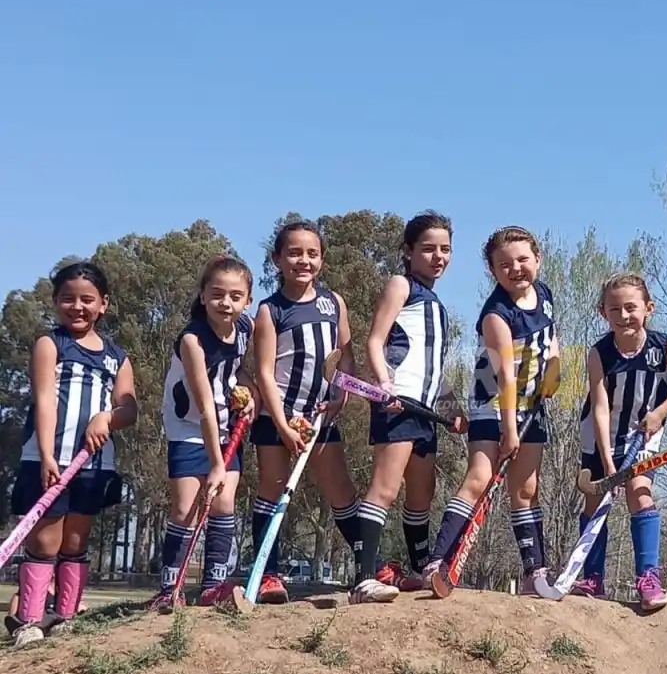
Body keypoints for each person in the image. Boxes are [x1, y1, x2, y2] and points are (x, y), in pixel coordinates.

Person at [6, 262, 138, 648]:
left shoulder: (117, 356)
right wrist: (47, 455)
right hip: (49, 461)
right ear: (55, 301)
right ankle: (29, 619)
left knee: (76, 543)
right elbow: (44, 399)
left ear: (103, 304)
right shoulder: (51, 344)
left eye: (87, 299)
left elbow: (129, 410)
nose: (77, 306)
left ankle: (66, 616)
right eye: (68, 298)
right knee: (44, 543)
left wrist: (107, 419)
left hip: (94, 465)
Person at [424, 225, 558, 595]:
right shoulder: (496, 315)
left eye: (522, 259)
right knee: (480, 478)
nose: (515, 268)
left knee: (527, 488)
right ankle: (439, 560)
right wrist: (509, 430)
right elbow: (506, 377)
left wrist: (554, 371)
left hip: (531, 405)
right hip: (494, 404)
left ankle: (535, 571)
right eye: (504, 264)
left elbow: (552, 339)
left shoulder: (544, 294)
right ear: (492, 271)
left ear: (537, 259)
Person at [350, 212, 466, 605]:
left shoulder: (436, 303)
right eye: (429, 248)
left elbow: (431, 366)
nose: (438, 257)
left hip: (427, 410)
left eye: (445, 249)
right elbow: (374, 342)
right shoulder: (401, 285)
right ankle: (364, 579)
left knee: (422, 494)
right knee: (383, 489)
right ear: (408, 251)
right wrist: (384, 386)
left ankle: (419, 569)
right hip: (398, 403)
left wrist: (452, 406)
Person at [251, 219, 361, 604]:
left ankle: (368, 564)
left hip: (320, 416)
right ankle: (268, 574)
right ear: (278, 259)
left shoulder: (334, 303)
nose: (304, 261)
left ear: (322, 260)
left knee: (341, 490)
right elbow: (264, 371)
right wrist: (281, 425)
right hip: (278, 419)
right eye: (294, 253)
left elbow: (345, 356)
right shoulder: (270, 310)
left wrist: (341, 398)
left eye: (312, 254)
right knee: (272, 488)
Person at [575, 273, 667, 608]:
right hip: (601, 437)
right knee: (595, 501)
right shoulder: (599, 353)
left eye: (631, 307)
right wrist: (609, 464)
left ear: (648, 308)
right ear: (603, 312)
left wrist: (660, 413)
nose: (624, 315)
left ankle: (648, 578)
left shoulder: (661, 345)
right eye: (615, 309)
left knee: (640, 494)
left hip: (643, 435)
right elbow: (599, 409)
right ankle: (593, 577)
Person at [156, 254, 258, 610]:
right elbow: (203, 407)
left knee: (224, 503)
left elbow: (238, 371)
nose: (225, 303)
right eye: (217, 294)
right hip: (190, 427)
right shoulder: (192, 340)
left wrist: (251, 395)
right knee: (186, 508)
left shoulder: (245, 329)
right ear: (202, 296)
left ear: (247, 300)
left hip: (226, 426)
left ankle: (215, 584)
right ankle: (170, 587)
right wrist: (216, 462)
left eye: (235, 296)